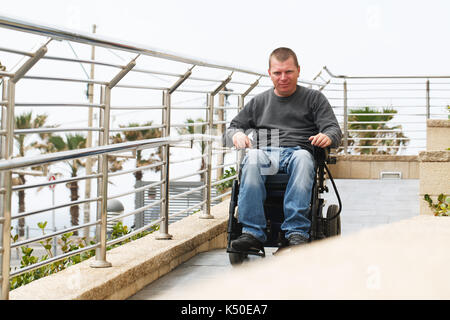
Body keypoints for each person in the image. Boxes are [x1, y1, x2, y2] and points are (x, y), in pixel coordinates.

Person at [224, 47, 342, 252]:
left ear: (298, 70)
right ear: (270, 73)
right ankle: (252, 233)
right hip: (265, 154)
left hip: (298, 152)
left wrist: (327, 136)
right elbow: (232, 128)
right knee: (252, 159)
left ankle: (296, 232)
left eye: (288, 72)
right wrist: (237, 134)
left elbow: (333, 129)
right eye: (277, 72)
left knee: (304, 159)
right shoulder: (259, 102)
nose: (283, 77)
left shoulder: (314, 99)